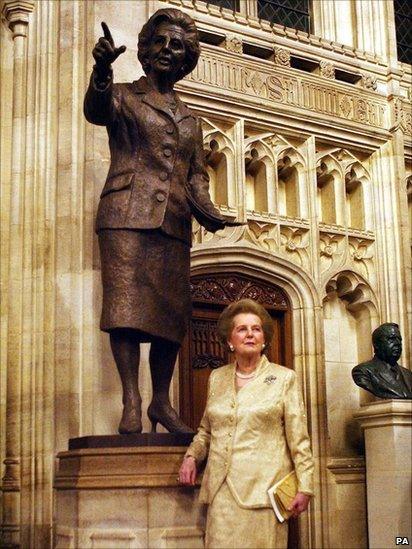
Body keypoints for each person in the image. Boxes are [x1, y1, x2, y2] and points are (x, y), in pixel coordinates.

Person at [83, 9, 236, 435]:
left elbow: (195, 174)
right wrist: (101, 69)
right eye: (162, 43)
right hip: (125, 217)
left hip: (174, 223)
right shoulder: (123, 95)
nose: (170, 50)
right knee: (125, 311)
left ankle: (161, 403)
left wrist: (209, 209)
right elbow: (96, 111)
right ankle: (131, 400)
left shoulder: (191, 119)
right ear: (147, 51)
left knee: (171, 315)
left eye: (179, 46)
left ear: (187, 59)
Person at [179, 299, 314, 549]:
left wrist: (305, 487)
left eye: (256, 329)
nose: (250, 334)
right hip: (221, 492)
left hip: (263, 492)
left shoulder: (284, 378)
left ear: (264, 339)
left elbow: (299, 439)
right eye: (242, 329)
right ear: (230, 340)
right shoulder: (216, 378)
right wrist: (191, 457)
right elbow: (206, 431)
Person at [352, 323, 412, 399]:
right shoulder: (362, 371)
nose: (397, 343)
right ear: (376, 344)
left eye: (399, 339)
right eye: (391, 339)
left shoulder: (408, 374)